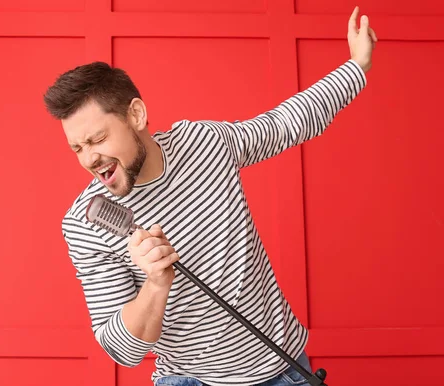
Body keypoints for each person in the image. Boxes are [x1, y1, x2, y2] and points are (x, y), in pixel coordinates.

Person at [44, 6, 377, 386]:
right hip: (188, 379)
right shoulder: (85, 223)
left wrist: (357, 66)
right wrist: (155, 282)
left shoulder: (206, 144)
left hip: (284, 368)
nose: (89, 158)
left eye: (97, 139)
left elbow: (287, 123)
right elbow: (124, 351)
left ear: (135, 114)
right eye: (77, 148)